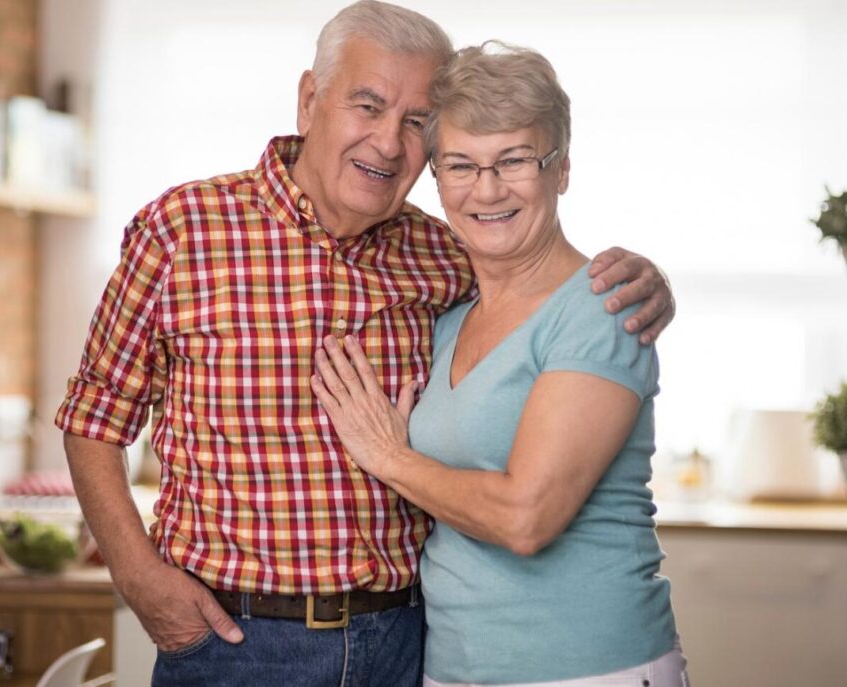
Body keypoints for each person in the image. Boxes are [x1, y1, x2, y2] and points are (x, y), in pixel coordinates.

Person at [56, 4, 675, 686]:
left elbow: (545, 285)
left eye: (415, 123)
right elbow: (94, 417)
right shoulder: (182, 232)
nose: (387, 143)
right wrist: (141, 580)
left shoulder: (444, 255)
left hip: (408, 641)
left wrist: (647, 281)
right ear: (309, 99)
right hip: (237, 642)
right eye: (368, 105)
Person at [310, 41, 687, 687]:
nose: (486, 189)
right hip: (456, 666)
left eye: (513, 160)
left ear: (560, 168)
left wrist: (390, 456)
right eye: (460, 164)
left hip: (590, 665)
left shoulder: (601, 307)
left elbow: (525, 517)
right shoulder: (448, 313)